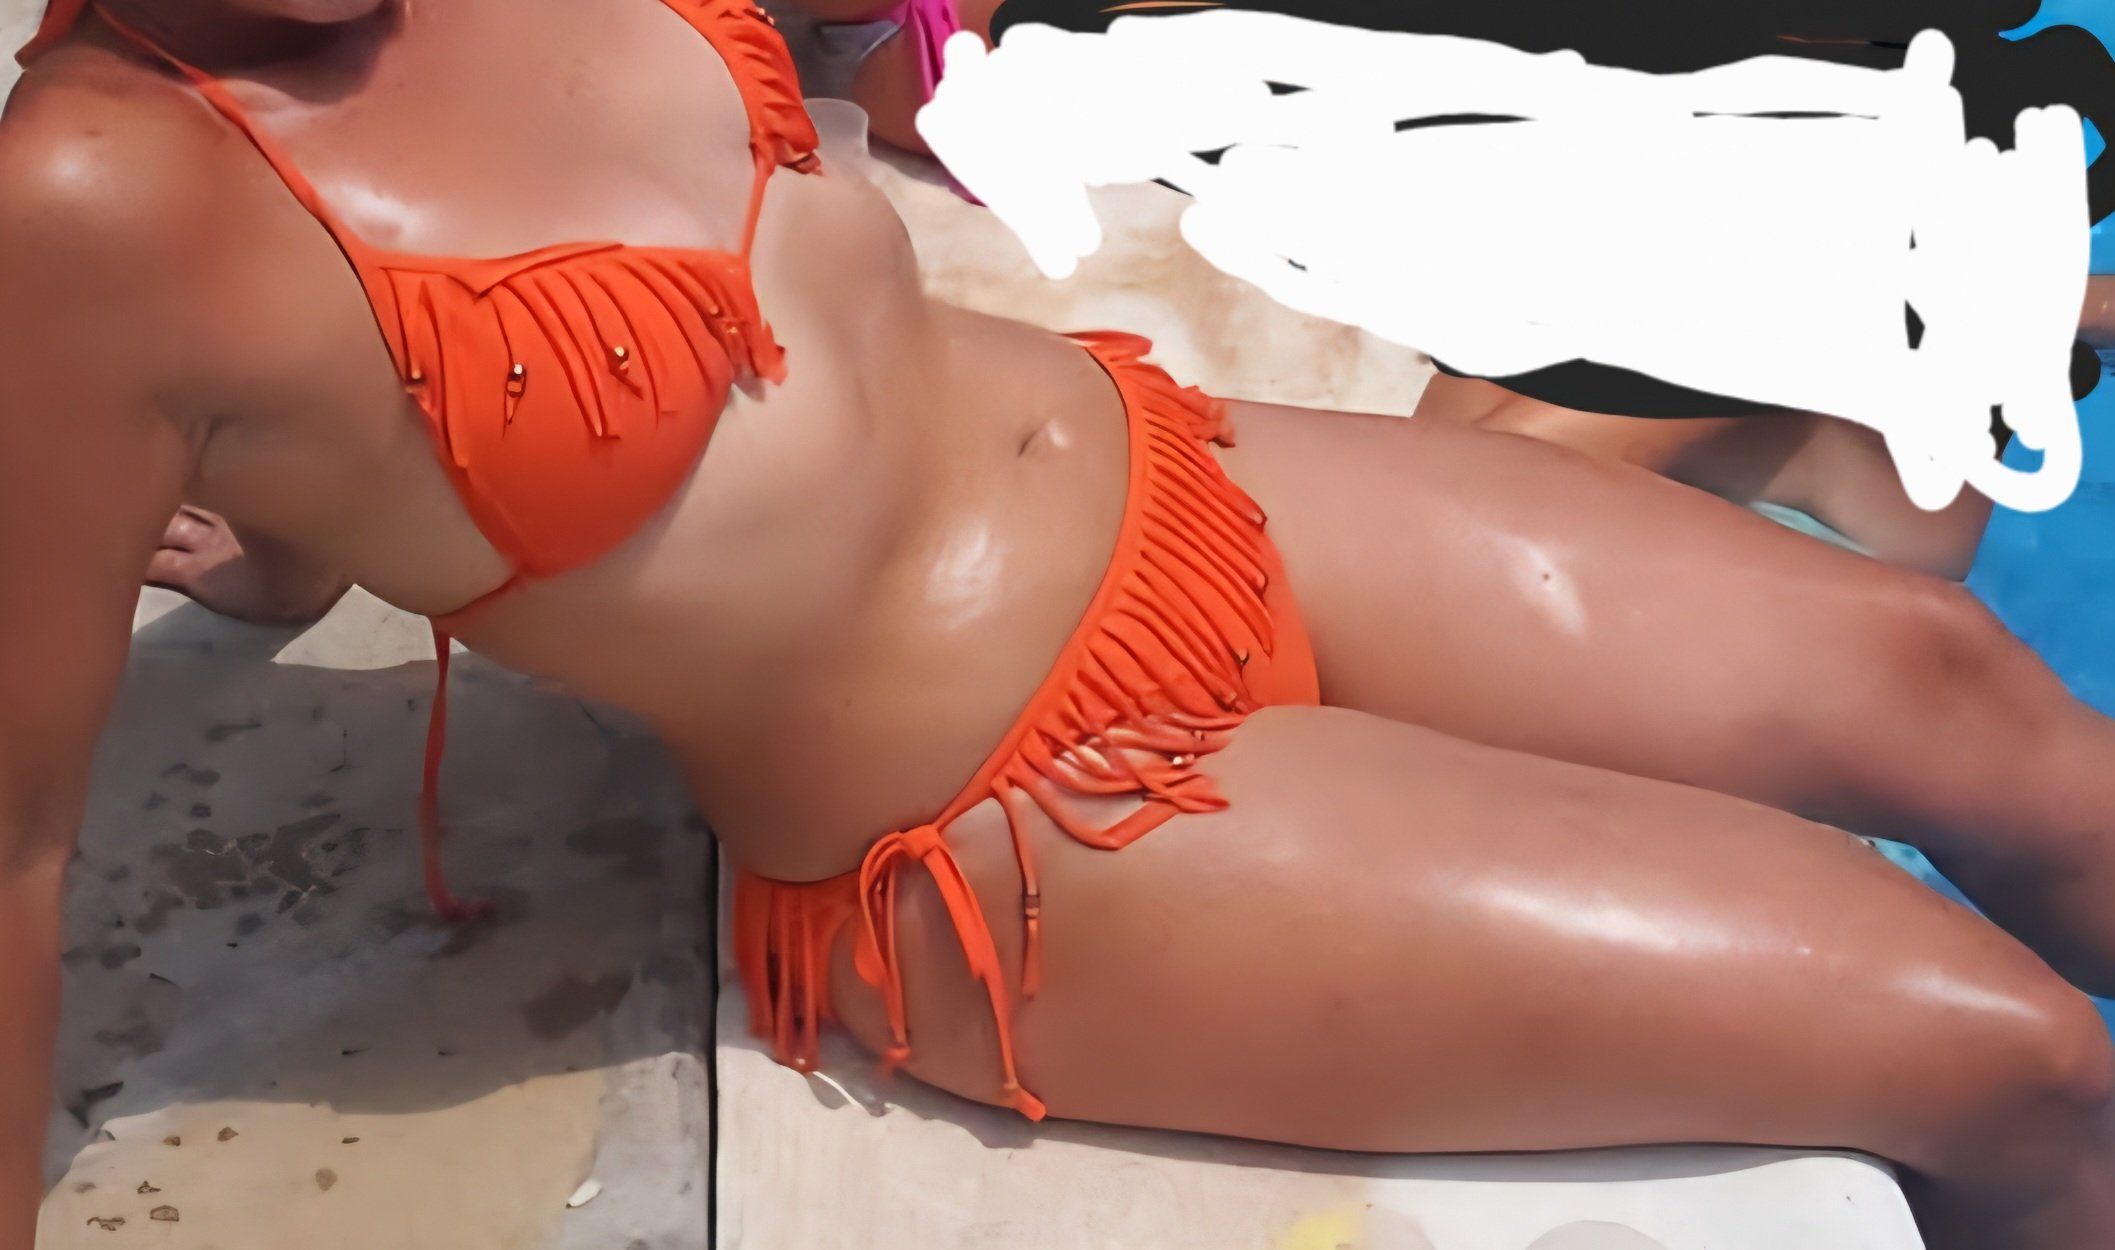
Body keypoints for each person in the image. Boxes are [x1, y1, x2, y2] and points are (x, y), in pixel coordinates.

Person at [6, 3, 2115, 1247]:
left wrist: (273, 552)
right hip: (1017, 817)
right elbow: (15, 844)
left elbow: (332, 426)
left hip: (1187, 481)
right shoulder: (93, 203)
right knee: (2002, 1054)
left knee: (1971, 702)